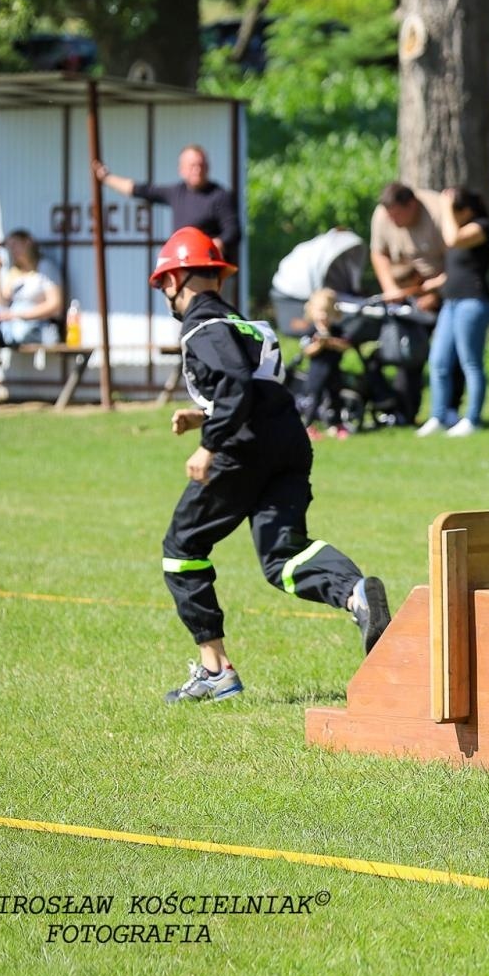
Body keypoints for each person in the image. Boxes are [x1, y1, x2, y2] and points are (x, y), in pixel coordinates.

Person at [151, 226, 391, 704]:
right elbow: (255, 385)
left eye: (163, 285)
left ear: (178, 278)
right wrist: (203, 413)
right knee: (282, 556)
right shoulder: (243, 323)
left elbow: (235, 384)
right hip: (287, 443)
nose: (165, 295)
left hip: (242, 450)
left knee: (182, 548)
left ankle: (215, 669)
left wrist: (209, 442)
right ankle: (355, 591)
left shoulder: (201, 326)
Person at [416, 187, 489, 437]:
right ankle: (438, 416)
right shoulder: (458, 231)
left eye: (453, 211)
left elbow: (453, 239)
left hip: (472, 303)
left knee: (470, 363)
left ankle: (472, 419)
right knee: (438, 362)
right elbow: (460, 268)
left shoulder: (481, 227)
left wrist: (447, 206)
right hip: (450, 303)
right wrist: (438, 283)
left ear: (467, 211)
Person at [369, 182, 449, 425]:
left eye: (397, 214)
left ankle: (449, 411)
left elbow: (457, 259)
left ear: (412, 205)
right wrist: (390, 288)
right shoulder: (382, 215)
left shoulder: (437, 213)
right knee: (406, 352)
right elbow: (378, 252)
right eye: (389, 215)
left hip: (440, 291)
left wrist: (437, 294)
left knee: (445, 356)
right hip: (405, 292)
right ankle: (404, 412)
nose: (392, 220)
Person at [93, 145, 241, 258]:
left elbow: (233, 232)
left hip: (211, 269)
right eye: (192, 166)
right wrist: (107, 178)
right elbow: (141, 190)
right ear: (181, 169)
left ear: (208, 167)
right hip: (182, 265)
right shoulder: (176, 192)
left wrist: (216, 244)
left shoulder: (220, 196)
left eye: (201, 165)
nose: (197, 170)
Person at [297, 288, 353, 440]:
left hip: (334, 371)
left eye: (328, 312)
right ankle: (308, 425)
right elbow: (307, 350)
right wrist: (320, 345)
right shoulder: (311, 331)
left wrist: (332, 342)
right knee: (314, 399)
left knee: (336, 398)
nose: (324, 316)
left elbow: (346, 345)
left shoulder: (337, 330)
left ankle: (337, 424)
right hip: (317, 372)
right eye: (321, 311)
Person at [0, 230, 63, 346]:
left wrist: (20, 315)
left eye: (16, 244)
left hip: (38, 325)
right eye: (10, 247)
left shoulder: (45, 268)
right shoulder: (14, 272)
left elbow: (55, 305)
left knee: (19, 330)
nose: (13, 250)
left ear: (28, 242)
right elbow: (1, 304)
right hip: (14, 325)